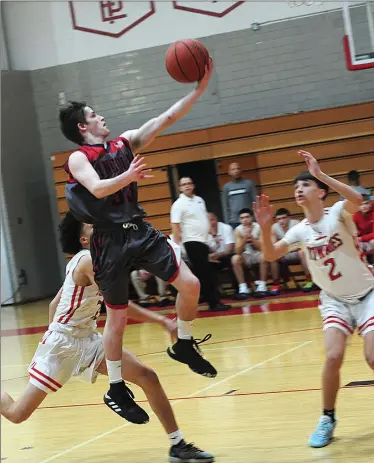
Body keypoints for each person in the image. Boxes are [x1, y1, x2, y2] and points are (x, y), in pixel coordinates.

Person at [59, 60, 217, 424]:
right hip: (107, 241)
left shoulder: (125, 142)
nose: (102, 118)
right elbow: (97, 188)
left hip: (138, 230)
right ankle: (116, 388)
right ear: (83, 126)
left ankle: (184, 343)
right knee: (116, 320)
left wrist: (197, 89)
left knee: (190, 284)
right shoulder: (79, 157)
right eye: (95, 115)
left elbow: (166, 119)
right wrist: (128, 175)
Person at [0, 213, 214, 463]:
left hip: (87, 340)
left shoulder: (84, 261)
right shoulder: (88, 260)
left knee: (148, 376)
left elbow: (55, 303)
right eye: (93, 226)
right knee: (16, 415)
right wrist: (163, 322)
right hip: (62, 346)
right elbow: (119, 306)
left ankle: (178, 445)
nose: (100, 227)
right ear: (83, 239)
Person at [253, 150, 374, 449]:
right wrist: (264, 228)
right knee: (332, 356)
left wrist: (320, 173)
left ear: (320, 191)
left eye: (305, 185)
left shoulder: (338, 212)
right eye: (296, 189)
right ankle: (327, 417)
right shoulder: (300, 230)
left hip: (367, 293)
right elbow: (270, 253)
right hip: (334, 299)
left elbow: (357, 198)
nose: (299, 191)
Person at [170, 177, 230, 312]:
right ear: (180, 188)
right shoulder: (178, 204)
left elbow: (204, 219)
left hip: (203, 241)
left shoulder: (199, 200)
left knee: (203, 273)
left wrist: (212, 235)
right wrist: (177, 246)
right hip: (191, 242)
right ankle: (213, 303)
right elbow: (175, 225)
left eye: (189, 183)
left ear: (193, 186)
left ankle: (202, 298)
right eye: (183, 184)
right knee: (205, 273)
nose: (187, 186)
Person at [231, 208, 269, 299]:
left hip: (257, 254)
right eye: (242, 218)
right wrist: (244, 238)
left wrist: (251, 237)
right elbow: (237, 251)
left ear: (252, 218)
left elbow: (262, 248)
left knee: (264, 256)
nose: (245, 220)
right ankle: (243, 288)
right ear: (240, 220)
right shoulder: (238, 230)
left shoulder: (259, 227)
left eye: (247, 217)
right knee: (235, 259)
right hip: (246, 255)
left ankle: (262, 286)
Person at [353, 195, 374, 282]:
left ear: (370, 204)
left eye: (366, 203)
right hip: (365, 241)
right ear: (357, 206)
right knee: (353, 244)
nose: (364, 206)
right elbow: (353, 233)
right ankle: (361, 272)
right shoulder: (356, 216)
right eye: (361, 204)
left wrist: (360, 238)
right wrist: (358, 238)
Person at [222, 162, 257, 229]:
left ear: (241, 170)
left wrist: (255, 218)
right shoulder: (226, 187)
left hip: (248, 219)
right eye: (233, 169)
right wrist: (227, 223)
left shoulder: (249, 184)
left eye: (238, 169)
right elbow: (225, 206)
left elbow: (255, 202)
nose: (236, 171)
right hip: (234, 221)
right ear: (229, 172)